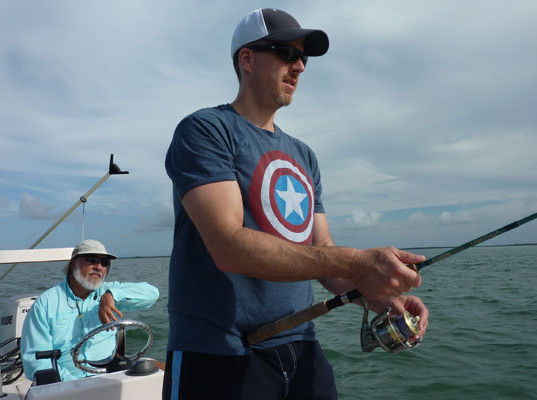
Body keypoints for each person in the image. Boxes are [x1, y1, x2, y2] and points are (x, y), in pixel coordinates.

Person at [163, 8, 429, 400]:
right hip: (217, 351)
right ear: (247, 59)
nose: (300, 67)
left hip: (301, 345)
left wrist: (373, 292)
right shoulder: (205, 130)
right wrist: (358, 263)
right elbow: (228, 247)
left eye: (302, 58)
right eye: (286, 54)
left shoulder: (304, 155)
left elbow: (321, 251)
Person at [20, 239, 159, 382]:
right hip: (65, 384)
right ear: (73, 263)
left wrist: (112, 295)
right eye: (92, 259)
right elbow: (35, 361)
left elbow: (152, 294)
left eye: (104, 263)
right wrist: (76, 385)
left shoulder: (109, 292)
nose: (99, 267)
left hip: (110, 376)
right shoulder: (45, 303)